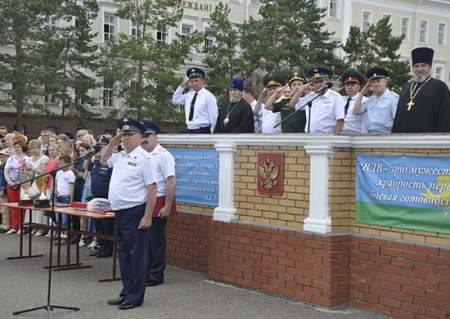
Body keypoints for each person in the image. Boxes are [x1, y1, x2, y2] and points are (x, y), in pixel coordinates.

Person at [101, 117, 157, 310]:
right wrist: (112, 143)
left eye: (130, 134)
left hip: (135, 212)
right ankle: (126, 292)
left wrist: (148, 216)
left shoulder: (145, 158)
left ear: (140, 137)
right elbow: (102, 160)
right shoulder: (119, 156)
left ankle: (135, 297)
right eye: (123, 134)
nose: (125, 138)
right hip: (120, 213)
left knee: (136, 257)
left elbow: (152, 188)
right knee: (124, 256)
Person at [141, 120, 176, 287]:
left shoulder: (164, 155)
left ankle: (156, 274)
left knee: (156, 240)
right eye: (142, 136)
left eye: (147, 136)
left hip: (160, 199)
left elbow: (170, 181)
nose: (144, 139)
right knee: (146, 240)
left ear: (155, 136)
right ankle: (146, 271)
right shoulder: (143, 154)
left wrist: (167, 206)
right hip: (147, 199)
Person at [392, 47, 450, 133]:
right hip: (403, 138)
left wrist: (439, 139)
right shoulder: (406, 87)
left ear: (429, 67)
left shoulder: (440, 86)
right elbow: (398, 116)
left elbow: (445, 117)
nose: (419, 69)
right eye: (416, 66)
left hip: (428, 139)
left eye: (423, 66)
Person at [84, 135, 114, 257]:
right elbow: (86, 167)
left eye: (103, 147)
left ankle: (107, 249)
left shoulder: (110, 163)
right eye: (99, 147)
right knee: (98, 225)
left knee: (107, 226)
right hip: (96, 197)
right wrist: (89, 156)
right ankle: (100, 246)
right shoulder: (96, 162)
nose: (100, 149)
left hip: (106, 198)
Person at [294, 67, 345, 134]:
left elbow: (340, 121)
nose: (318, 85)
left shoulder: (335, 97)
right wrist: (302, 89)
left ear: (327, 81)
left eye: (321, 81)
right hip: (309, 137)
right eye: (316, 82)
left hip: (326, 137)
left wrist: (334, 140)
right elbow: (292, 104)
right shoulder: (311, 96)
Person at [353, 67, 398, 134]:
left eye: (378, 81)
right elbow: (355, 111)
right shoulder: (371, 100)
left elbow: (397, 120)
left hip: (387, 135)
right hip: (371, 135)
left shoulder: (393, 98)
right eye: (373, 82)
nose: (375, 84)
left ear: (385, 82)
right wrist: (361, 93)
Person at [172, 68, 218, 133]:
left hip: (204, 129)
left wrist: (213, 132)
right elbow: (175, 100)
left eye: (196, 81)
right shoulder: (189, 95)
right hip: (190, 129)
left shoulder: (208, 96)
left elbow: (213, 116)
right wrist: (181, 87)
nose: (194, 83)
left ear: (202, 81)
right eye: (192, 81)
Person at [54, 154, 75, 245]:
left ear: (67, 163)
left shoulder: (70, 174)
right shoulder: (58, 172)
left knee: (65, 219)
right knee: (58, 218)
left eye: (61, 163)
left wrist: (71, 201)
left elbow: (71, 188)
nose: (59, 165)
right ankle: (61, 235)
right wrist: (56, 192)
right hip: (58, 196)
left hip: (66, 197)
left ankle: (65, 236)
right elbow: (55, 184)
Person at [340, 70, 368, 134]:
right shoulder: (341, 99)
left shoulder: (364, 100)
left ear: (359, 87)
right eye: (347, 85)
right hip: (339, 135)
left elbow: (365, 123)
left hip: (355, 136)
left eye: (353, 84)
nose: (350, 87)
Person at [0, 149, 10, 233]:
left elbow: (3, 179)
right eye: (1, 157)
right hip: (2, 188)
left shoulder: (6, 166)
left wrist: (2, 189)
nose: (2, 158)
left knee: (5, 208)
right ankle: (4, 223)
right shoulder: (2, 165)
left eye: (4, 156)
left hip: (4, 189)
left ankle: (6, 225)